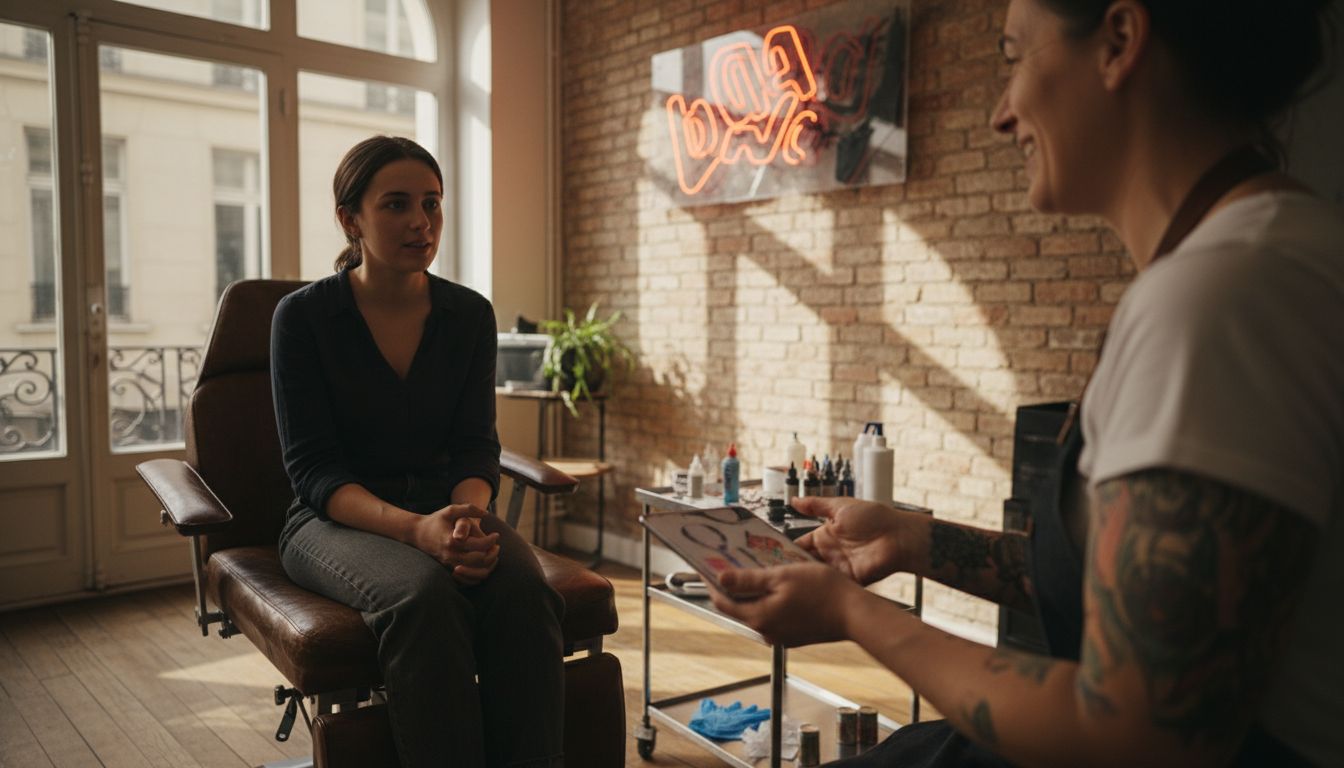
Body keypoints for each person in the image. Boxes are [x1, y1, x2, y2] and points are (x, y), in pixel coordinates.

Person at [711, 1, 1343, 766]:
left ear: (1118, 42)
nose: (1001, 113)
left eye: (1014, 57)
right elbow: (1127, 587)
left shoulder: (1218, 301)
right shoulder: (1271, 253)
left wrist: (852, 613)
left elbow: (1133, 735)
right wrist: (911, 538)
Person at [271, 135, 564, 768]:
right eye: (396, 205)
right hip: (332, 520)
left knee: (523, 591)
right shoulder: (302, 318)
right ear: (351, 219)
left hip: (444, 507)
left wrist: (465, 517)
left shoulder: (468, 315)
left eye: (432, 204)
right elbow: (315, 471)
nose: (420, 222)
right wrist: (417, 532)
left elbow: (475, 446)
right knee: (423, 596)